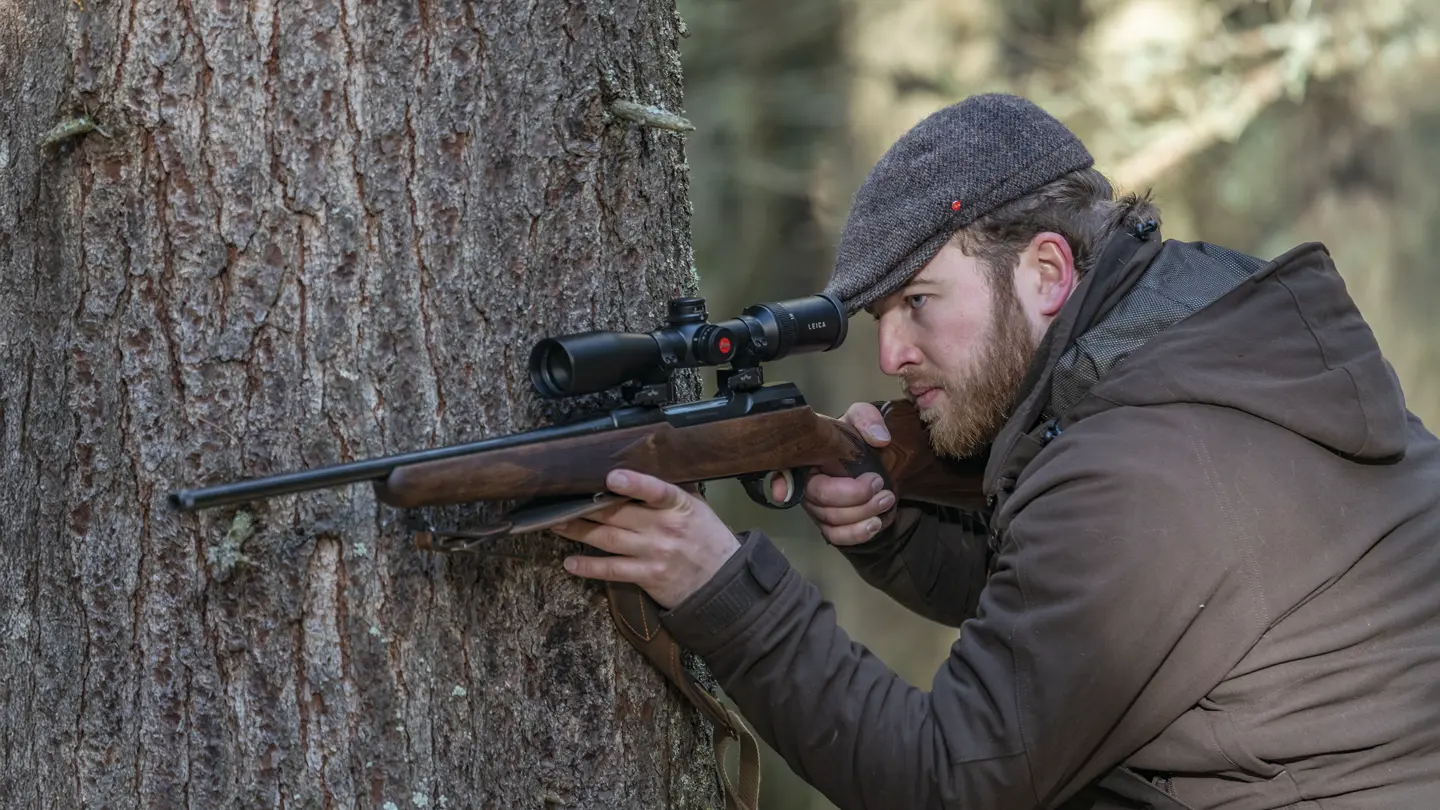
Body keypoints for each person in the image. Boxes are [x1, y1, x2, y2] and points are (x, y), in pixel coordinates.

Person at [551, 93, 1440, 809]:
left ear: (1047, 273)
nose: (891, 355)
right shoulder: (1204, 338)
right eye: (879, 317)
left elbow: (952, 778)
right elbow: (1079, 632)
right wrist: (895, 534)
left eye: (919, 303)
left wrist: (719, 588)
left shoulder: (1142, 471)